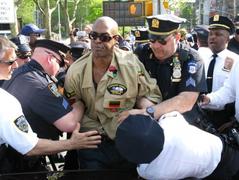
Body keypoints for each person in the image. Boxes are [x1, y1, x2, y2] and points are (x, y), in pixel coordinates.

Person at [64, 16, 161, 170]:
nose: (97, 41)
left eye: (104, 37)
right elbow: (73, 102)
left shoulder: (131, 64)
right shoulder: (76, 71)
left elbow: (147, 94)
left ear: (116, 39)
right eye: (93, 36)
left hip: (125, 136)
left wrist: (143, 111)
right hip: (91, 138)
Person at [0, 36, 101, 173]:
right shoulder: (36, 83)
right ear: (50, 58)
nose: (16, 65)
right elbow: (69, 123)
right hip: (18, 164)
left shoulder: (20, 74)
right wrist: (79, 102)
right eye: (60, 64)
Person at [120, 14, 207, 125]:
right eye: (152, 39)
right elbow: (131, 86)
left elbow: (186, 101)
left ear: (177, 37)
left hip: (181, 121)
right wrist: (144, 104)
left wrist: (150, 111)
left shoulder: (192, 59)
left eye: (162, 41)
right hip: (146, 117)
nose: (155, 46)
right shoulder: (142, 53)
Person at [115, 112, 239, 180]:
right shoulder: (170, 122)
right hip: (221, 148)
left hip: (215, 171)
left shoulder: (149, 172)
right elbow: (168, 114)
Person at [202, 15, 239, 128]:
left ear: (228, 39)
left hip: (224, 116)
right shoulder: (200, 57)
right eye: (211, 34)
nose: (213, 37)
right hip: (201, 113)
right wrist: (208, 99)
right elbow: (229, 91)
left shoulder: (235, 60)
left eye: (218, 34)